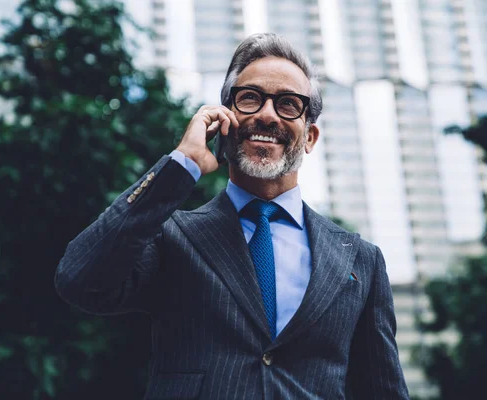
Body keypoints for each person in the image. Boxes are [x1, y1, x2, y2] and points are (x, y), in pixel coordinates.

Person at [55, 33, 410, 400]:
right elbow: (80, 280)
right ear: (225, 118)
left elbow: (382, 389)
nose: (267, 114)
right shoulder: (171, 236)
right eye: (250, 98)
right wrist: (182, 165)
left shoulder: (361, 260)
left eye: (289, 104)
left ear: (310, 136)